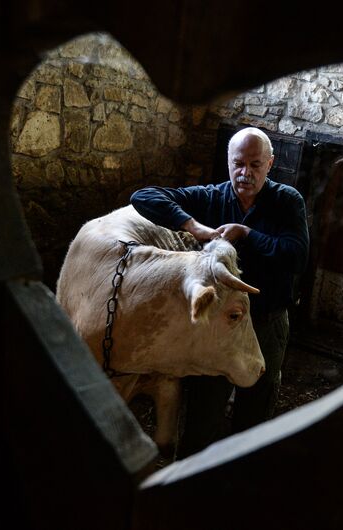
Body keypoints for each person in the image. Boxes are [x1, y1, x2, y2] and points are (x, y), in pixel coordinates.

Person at [130, 127, 309, 458]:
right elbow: (143, 197)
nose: (245, 173)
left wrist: (246, 233)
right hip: (218, 326)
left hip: (266, 322)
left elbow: (297, 256)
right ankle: (190, 476)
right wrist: (193, 226)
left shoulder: (286, 201)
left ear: (270, 164)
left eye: (255, 164)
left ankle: (238, 476)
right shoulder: (210, 197)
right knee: (203, 409)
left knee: (255, 409)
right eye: (238, 163)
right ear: (228, 162)